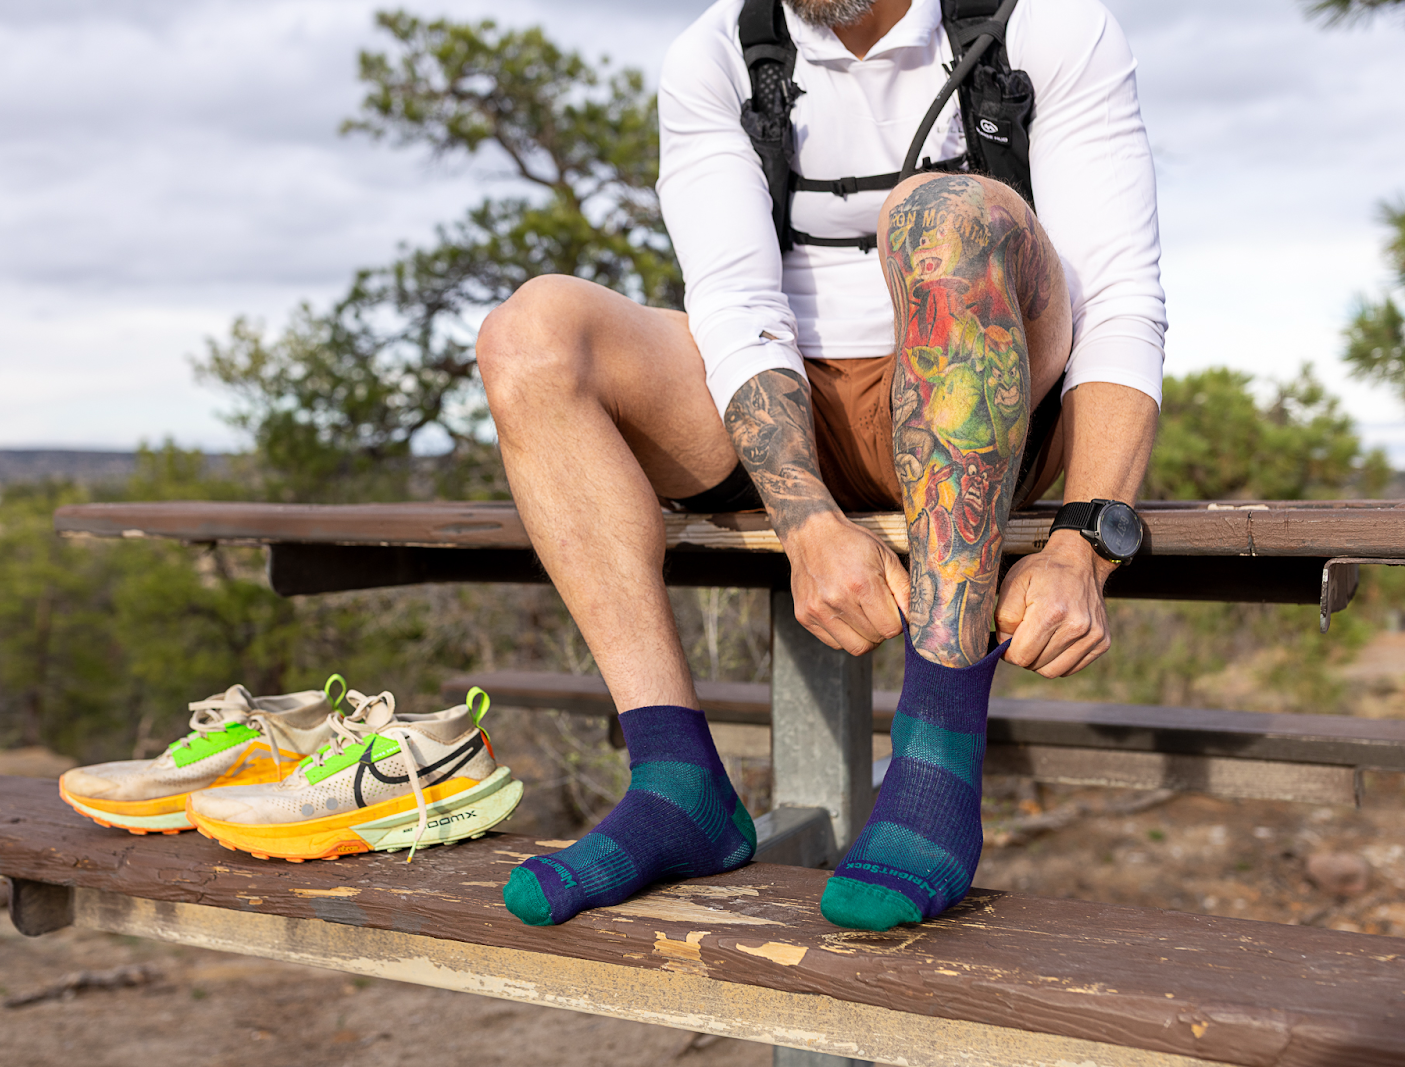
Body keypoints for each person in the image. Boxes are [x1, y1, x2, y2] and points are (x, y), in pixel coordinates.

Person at [478, 0, 1164, 930]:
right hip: (781, 405)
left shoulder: (1048, 25)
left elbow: (1119, 301)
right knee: (529, 334)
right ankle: (676, 780)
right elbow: (735, 302)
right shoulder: (719, 52)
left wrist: (1084, 542)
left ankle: (935, 758)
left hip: (984, 388)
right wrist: (804, 522)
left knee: (940, 212)